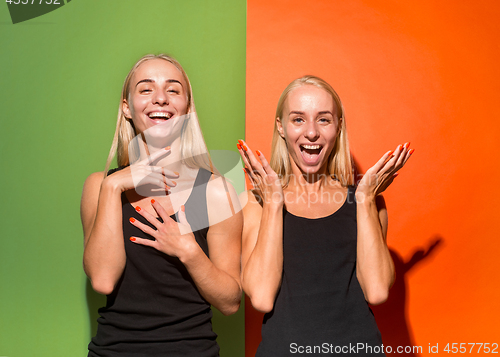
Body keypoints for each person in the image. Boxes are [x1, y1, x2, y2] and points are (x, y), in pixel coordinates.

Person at [238, 76, 413, 356]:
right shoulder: (255, 203)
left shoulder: (367, 201)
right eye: (298, 119)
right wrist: (273, 202)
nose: (311, 133)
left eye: (323, 120)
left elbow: (377, 291)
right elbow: (260, 297)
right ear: (281, 128)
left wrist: (365, 199)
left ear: (338, 127)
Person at [81, 54, 242, 356]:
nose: (160, 99)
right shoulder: (100, 186)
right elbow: (103, 280)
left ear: (186, 108)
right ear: (127, 108)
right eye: (146, 89)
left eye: (173, 89)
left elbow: (230, 302)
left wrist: (190, 251)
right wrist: (114, 185)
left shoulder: (216, 192)